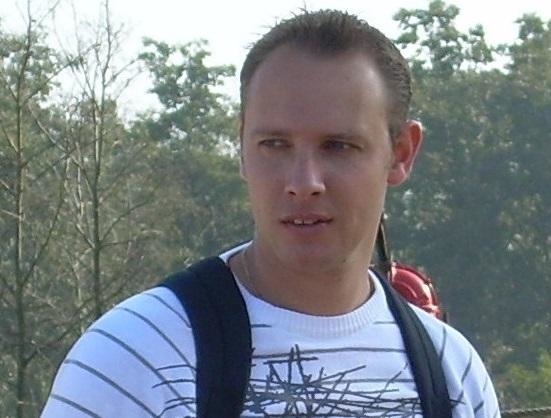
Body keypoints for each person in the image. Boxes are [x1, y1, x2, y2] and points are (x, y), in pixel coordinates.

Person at [41, 9, 501, 417]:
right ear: (241, 147)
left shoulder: (452, 375)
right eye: (275, 145)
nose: (304, 181)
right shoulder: (135, 359)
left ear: (401, 153)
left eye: (338, 146)